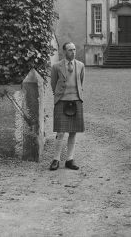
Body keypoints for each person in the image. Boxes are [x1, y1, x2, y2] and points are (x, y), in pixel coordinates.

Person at [49, 42, 85, 171]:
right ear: (64, 52)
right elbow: (53, 84)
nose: (73, 52)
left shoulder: (80, 65)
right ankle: (56, 159)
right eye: (70, 50)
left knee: (73, 132)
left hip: (76, 101)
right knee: (60, 132)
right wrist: (59, 96)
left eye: (74, 49)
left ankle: (70, 159)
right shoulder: (56, 67)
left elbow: (81, 81)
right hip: (62, 101)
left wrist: (77, 95)